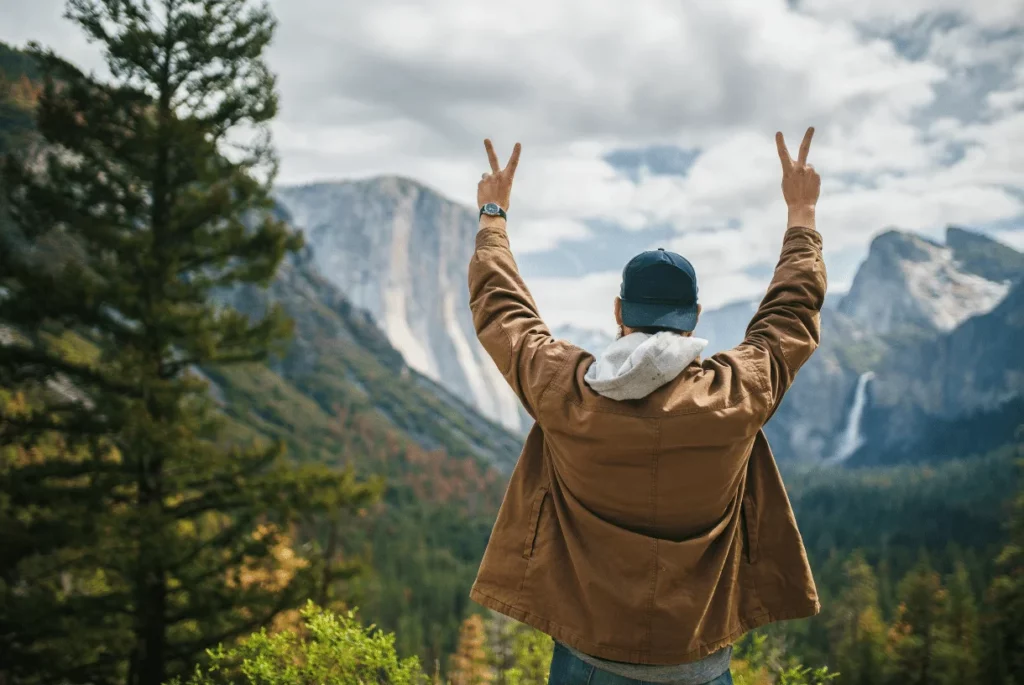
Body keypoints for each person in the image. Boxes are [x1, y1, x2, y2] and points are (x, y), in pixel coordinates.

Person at [468, 128, 825, 685]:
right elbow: (790, 316)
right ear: (698, 315)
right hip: (700, 665)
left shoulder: (566, 390)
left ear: (618, 311)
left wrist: (494, 214)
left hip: (588, 662)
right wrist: (801, 213)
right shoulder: (736, 394)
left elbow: (503, 313)